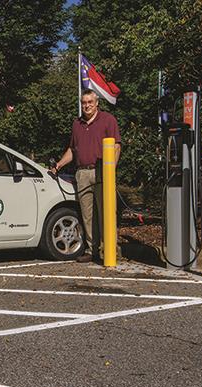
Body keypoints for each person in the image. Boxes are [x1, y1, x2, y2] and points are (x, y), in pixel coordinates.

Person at [50, 89, 121, 262]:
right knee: (87, 214)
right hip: (82, 173)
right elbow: (73, 150)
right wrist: (59, 164)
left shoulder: (108, 120)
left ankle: (109, 249)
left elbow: (117, 146)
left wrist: (110, 170)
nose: (87, 105)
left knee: (105, 211)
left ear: (97, 103)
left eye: (90, 102)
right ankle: (92, 250)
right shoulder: (77, 124)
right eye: (84, 102)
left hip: (101, 171)